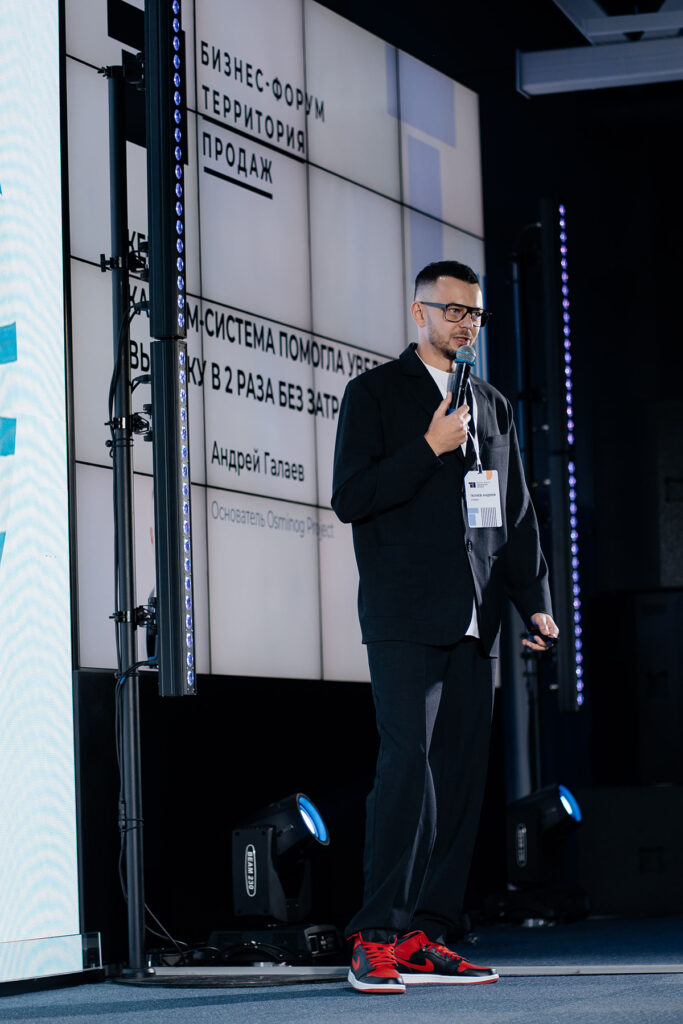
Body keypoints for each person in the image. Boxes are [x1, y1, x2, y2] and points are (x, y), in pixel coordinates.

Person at [331, 260, 559, 994]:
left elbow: (512, 512)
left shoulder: (490, 404)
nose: (466, 323)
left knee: (459, 782)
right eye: (453, 310)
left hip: (474, 618)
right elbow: (351, 497)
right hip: (404, 615)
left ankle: (426, 933)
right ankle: (375, 935)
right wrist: (427, 447)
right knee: (407, 770)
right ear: (418, 313)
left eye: (475, 313)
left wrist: (534, 600)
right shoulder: (374, 394)